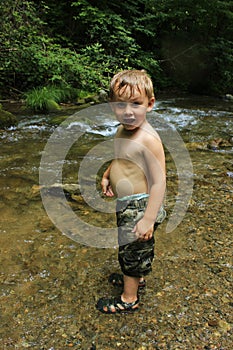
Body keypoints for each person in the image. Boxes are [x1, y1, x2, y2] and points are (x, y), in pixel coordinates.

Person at [96, 69, 166, 313]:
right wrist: (107, 175)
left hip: (141, 206)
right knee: (130, 249)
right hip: (126, 205)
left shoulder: (148, 139)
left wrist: (148, 219)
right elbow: (120, 158)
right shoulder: (121, 129)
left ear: (150, 104)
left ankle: (129, 299)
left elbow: (159, 182)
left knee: (133, 250)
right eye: (120, 105)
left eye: (136, 104)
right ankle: (136, 278)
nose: (128, 111)